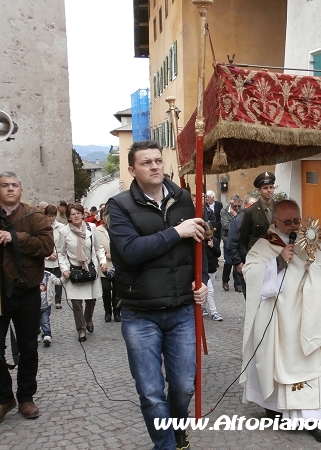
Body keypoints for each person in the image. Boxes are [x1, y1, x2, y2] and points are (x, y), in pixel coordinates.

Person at [106, 140, 208, 450]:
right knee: (151, 392)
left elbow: (200, 247)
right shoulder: (119, 205)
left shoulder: (183, 201)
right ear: (132, 170)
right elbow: (130, 251)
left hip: (181, 310)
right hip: (140, 312)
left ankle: (176, 429)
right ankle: (165, 445)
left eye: (158, 161)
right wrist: (177, 231)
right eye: (146, 162)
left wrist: (200, 281)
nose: (154, 167)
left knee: (182, 386)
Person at [240, 200, 321, 443]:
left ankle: (315, 419)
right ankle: (275, 406)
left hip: (307, 317)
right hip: (278, 320)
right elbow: (250, 275)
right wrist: (279, 261)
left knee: (311, 363)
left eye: (297, 220)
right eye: (288, 221)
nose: (294, 225)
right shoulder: (263, 246)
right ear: (275, 222)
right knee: (274, 361)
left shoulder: (310, 241)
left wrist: (315, 269)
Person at [0, 171, 54, 423]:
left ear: (21, 190)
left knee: (29, 348)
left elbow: (46, 246)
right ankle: (3, 397)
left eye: (15, 185)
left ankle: (26, 397)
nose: (10, 189)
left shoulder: (34, 216)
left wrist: (14, 238)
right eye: (5, 185)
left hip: (27, 291)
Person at [57, 203, 107, 342]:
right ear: (68, 217)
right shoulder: (64, 232)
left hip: (90, 268)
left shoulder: (91, 228)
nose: (76, 216)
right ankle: (81, 329)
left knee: (91, 300)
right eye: (73, 214)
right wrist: (64, 269)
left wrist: (102, 261)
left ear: (83, 214)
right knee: (76, 303)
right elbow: (60, 253)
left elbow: (98, 247)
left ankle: (88, 319)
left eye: (78, 213)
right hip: (74, 269)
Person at [226, 197, 257, 298]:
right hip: (245, 262)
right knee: (249, 293)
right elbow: (231, 244)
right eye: (251, 205)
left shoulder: (260, 221)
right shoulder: (239, 221)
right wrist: (237, 262)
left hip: (259, 261)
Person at [240, 172, 276, 252]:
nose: (269, 190)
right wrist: (252, 249)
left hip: (276, 250)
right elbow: (244, 235)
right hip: (258, 251)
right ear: (259, 191)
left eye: (271, 187)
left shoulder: (279, 208)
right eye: (265, 188)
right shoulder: (251, 211)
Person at [96, 208, 119, 322]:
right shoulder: (98, 230)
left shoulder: (118, 228)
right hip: (104, 264)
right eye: (104, 216)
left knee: (117, 289)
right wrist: (105, 254)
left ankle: (117, 311)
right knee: (106, 289)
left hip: (117, 264)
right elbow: (95, 247)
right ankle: (107, 311)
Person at [220, 194, 243, 292]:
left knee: (237, 261)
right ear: (231, 204)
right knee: (229, 261)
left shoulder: (241, 211)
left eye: (238, 206)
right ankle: (225, 280)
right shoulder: (224, 211)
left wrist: (236, 215)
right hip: (227, 239)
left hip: (239, 240)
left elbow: (243, 223)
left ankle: (237, 284)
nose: (237, 208)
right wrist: (237, 222)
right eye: (235, 206)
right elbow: (226, 225)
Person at [44, 204, 64, 309]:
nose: (51, 218)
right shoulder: (42, 227)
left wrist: (57, 254)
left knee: (58, 281)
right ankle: (46, 299)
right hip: (46, 260)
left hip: (57, 259)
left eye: (53, 216)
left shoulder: (61, 227)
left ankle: (58, 300)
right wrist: (47, 255)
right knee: (46, 281)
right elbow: (41, 244)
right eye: (49, 216)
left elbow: (62, 243)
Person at [203, 221, 223, 321]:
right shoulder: (200, 242)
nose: (209, 237)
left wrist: (212, 246)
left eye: (211, 234)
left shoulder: (214, 240)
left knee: (207, 291)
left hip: (212, 269)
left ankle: (203, 307)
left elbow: (218, 253)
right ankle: (214, 312)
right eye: (207, 235)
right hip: (205, 270)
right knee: (210, 291)